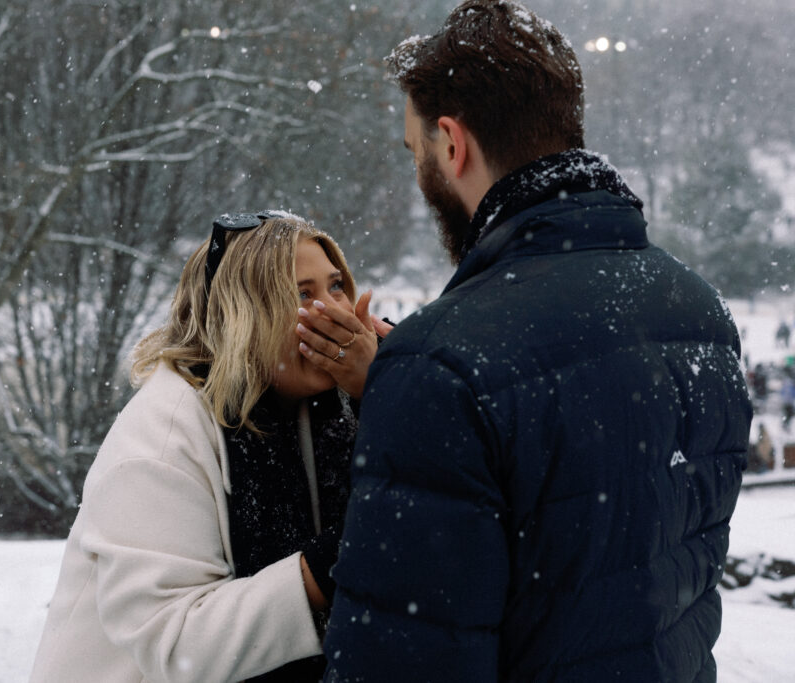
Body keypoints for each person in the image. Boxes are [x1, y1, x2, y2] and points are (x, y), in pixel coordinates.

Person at [299, 2, 753, 681]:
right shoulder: (697, 311)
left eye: (415, 151)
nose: (421, 173)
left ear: (452, 144)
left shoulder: (442, 365)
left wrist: (413, 385)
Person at [29, 211, 386, 683]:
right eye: (303, 294)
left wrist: (388, 391)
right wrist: (332, 564)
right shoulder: (162, 438)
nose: (335, 311)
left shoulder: (319, 401)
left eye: (336, 286)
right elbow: (177, 643)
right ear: (244, 315)